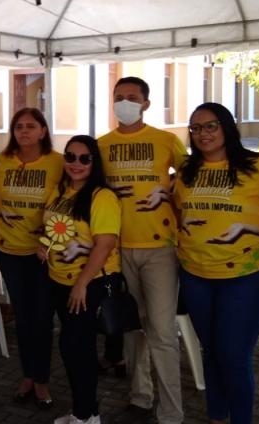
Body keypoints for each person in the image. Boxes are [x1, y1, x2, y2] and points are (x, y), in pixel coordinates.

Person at [174, 102, 259, 424]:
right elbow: (178, 213)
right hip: (196, 276)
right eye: (196, 128)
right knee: (211, 352)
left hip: (245, 279)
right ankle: (217, 418)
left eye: (210, 125)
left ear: (226, 127)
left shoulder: (258, 167)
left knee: (233, 355)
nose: (203, 133)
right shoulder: (187, 173)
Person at [98, 76, 186, 423]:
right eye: (118, 97)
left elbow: (192, 177)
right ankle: (140, 397)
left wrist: (172, 193)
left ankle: (172, 412)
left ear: (146, 103)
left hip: (160, 249)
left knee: (162, 332)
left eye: (132, 97)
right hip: (118, 249)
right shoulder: (102, 145)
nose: (124, 103)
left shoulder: (166, 141)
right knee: (134, 329)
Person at [38, 135, 121, 424]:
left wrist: (82, 284)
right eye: (70, 157)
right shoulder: (61, 190)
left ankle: (87, 415)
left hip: (87, 283)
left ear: (94, 162)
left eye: (84, 158)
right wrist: (45, 245)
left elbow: (105, 244)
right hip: (58, 279)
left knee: (77, 347)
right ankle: (84, 411)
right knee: (72, 346)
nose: (76, 163)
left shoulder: (102, 196)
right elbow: (54, 227)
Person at [0, 107, 63, 409]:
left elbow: (66, 206)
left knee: (42, 318)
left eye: (31, 126)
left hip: (43, 254)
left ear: (43, 131)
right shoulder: (3, 160)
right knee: (22, 317)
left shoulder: (58, 163)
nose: (24, 131)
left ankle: (42, 379)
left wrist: (49, 242)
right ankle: (28, 376)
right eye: (19, 126)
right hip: (9, 252)